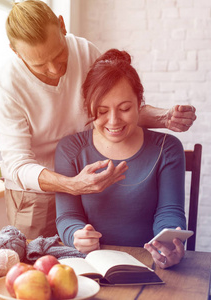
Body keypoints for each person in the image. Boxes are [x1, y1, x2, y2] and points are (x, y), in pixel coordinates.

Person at [0, 0, 196, 240]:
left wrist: (164, 117)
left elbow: (112, 102)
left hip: (85, 172)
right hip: (34, 194)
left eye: (59, 55)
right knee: (38, 267)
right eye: (39, 65)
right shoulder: (8, 85)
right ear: (16, 52)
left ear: (62, 25)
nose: (55, 69)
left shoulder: (85, 52)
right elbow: (17, 164)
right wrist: (72, 185)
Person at [55, 48, 187, 269]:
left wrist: (168, 244)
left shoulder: (167, 148)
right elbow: (67, 215)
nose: (114, 121)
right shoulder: (70, 149)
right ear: (88, 107)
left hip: (149, 262)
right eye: (102, 110)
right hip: (91, 263)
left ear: (139, 103)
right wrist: (77, 234)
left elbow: (170, 211)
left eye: (125, 108)